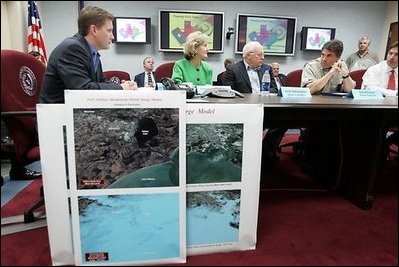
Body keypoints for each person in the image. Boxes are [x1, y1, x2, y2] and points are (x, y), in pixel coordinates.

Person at [40, 6, 137, 104]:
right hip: (59, 114)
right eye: (109, 30)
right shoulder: (72, 49)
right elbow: (83, 89)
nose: (112, 36)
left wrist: (123, 85)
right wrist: (120, 88)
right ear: (94, 30)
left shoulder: (91, 52)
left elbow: (101, 82)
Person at [362, 41, 398, 161]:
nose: (392, 57)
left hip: (395, 111)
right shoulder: (375, 69)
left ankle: (388, 142)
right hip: (375, 111)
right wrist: (394, 93)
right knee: (380, 127)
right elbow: (371, 89)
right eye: (390, 53)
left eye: (397, 55)